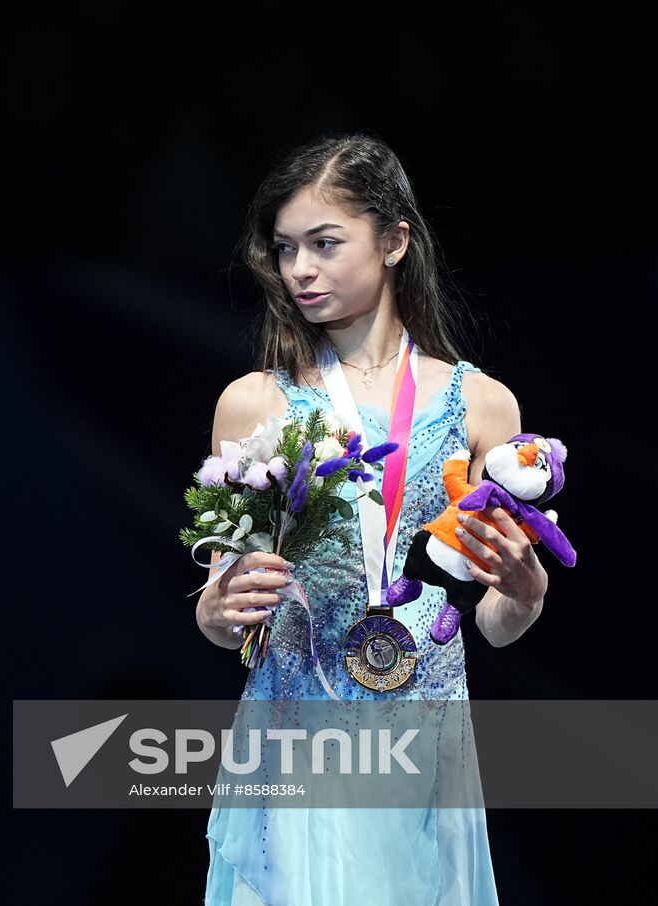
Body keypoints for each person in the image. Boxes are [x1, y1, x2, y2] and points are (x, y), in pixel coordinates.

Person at [194, 134, 550, 905]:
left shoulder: (481, 403)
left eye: (325, 243)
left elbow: (493, 621)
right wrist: (218, 607)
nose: (301, 269)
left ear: (394, 240)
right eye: (286, 249)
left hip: (423, 745)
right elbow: (225, 618)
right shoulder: (254, 402)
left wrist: (524, 594)